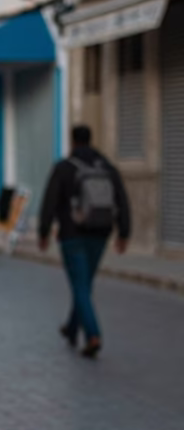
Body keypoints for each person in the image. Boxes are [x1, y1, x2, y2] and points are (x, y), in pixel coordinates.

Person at [39, 124, 131, 358]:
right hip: (100, 234)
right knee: (85, 283)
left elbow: (50, 201)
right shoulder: (107, 168)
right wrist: (124, 232)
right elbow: (121, 198)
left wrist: (43, 232)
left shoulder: (63, 168)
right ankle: (71, 328)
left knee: (80, 285)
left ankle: (93, 335)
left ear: (72, 142)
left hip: (72, 235)